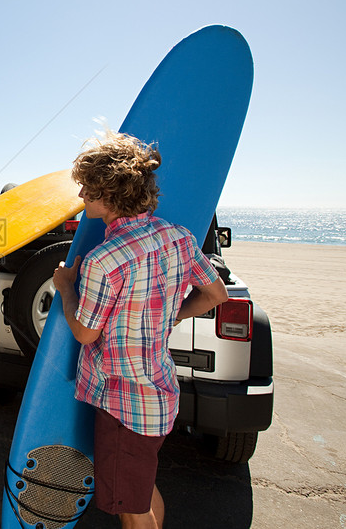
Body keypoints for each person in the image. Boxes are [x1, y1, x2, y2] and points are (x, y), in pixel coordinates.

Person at [53, 131, 229, 529]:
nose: (81, 196)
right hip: (160, 394)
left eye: (87, 189)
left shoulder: (105, 260)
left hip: (124, 406)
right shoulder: (179, 238)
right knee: (142, 491)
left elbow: (84, 333)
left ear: (110, 196)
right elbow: (216, 294)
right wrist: (172, 316)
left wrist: (65, 289)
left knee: (131, 508)